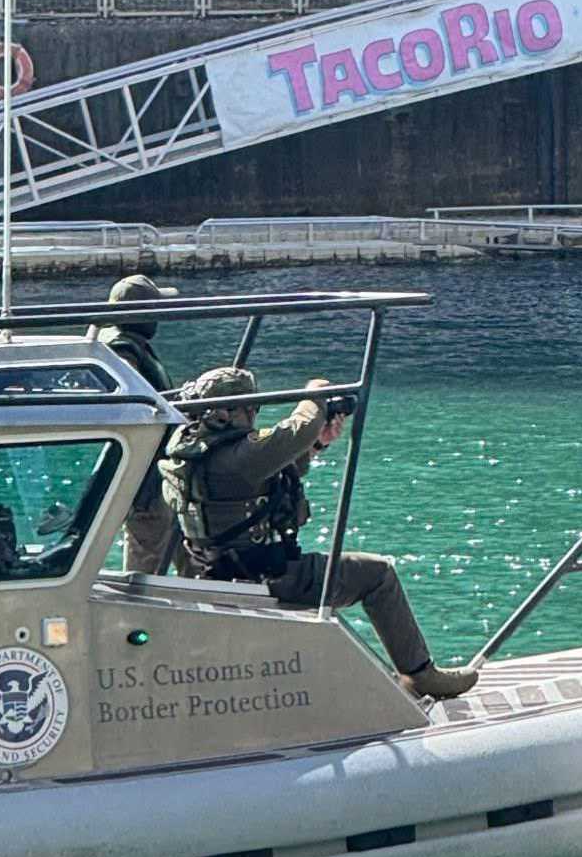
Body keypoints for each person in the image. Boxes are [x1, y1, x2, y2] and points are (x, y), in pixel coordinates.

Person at [159, 366, 478, 700]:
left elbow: (262, 475)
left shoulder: (188, 454)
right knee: (378, 575)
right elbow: (299, 427)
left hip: (213, 572)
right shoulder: (241, 457)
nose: (254, 415)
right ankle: (420, 675)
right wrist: (316, 394)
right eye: (250, 408)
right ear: (231, 411)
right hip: (263, 576)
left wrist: (317, 445)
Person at [99, 274, 179, 573]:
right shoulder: (123, 349)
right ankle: (136, 617)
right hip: (145, 478)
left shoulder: (123, 342)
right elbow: (128, 405)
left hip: (154, 472)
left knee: (172, 550)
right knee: (143, 565)